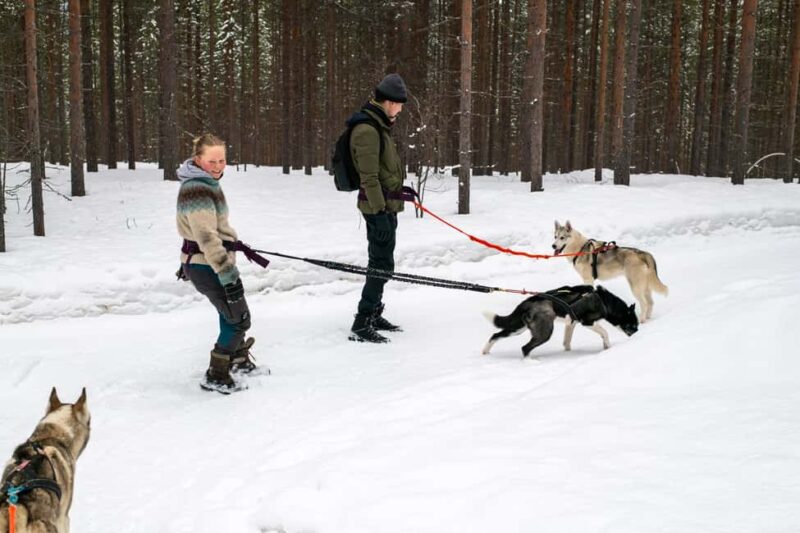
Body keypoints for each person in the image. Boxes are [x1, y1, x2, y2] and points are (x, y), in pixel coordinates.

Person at [176, 133, 259, 393]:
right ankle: (216, 374)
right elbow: (205, 236)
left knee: (231, 314)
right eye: (212, 160)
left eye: (222, 160)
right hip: (208, 264)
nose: (218, 165)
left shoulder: (206, 182)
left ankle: (236, 358)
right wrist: (227, 272)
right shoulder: (198, 188)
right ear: (198, 159)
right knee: (238, 319)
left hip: (206, 261)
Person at [348, 73, 409, 343]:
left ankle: (373, 312)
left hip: (385, 204)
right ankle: (362, 322)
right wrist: (380, 213)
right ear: (387, 101)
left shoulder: (380, 126)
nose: (401, 109)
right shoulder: (367, 130)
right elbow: (369, 177)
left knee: (385, 262)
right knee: (380, 264)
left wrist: (398, 191)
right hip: (377, 209)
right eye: (398, 104)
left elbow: (385, 172)